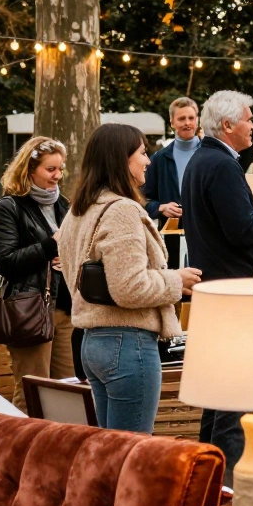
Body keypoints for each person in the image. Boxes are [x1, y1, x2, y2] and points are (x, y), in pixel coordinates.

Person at [61, 124, 201, 432]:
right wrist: (176, 281)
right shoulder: (121, 210)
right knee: (133, 453)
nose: (148, 160)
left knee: (111, 452)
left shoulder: (78, 211)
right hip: (127, 343)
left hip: (93, 341)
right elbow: (129, 287)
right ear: (122, 159)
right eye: (142, 152)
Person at [183, 90, 253, 484]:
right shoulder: (222, 166)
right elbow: (242, 230)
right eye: (249, 118)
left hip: (215, 289)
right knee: (235, 398)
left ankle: (206, 482)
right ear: (227, 125)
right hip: (235, 292)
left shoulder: (200, 160)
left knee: (218, 395)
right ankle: (225, 489)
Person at [0, 137, 76, 412]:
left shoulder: (64, 204)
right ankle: (21, 452)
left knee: (69, 392)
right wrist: (51, 246)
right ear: (29, 169)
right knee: (32, 393)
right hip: (31, 310)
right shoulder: (8, 207)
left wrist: (70, 258)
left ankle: (60, 454)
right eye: (51, 169)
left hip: (66, 308)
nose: (58, 176)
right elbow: (5, 262)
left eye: (61, 169)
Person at [144, 97, 200, 223]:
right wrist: (160, 208)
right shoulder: (158, 159)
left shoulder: (211, 155)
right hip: (171, 236)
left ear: (197, 120)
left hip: (206, 234)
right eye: (181, 118)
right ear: (172, 122)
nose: (187, 123)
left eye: (191, 118)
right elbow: (142, 199)